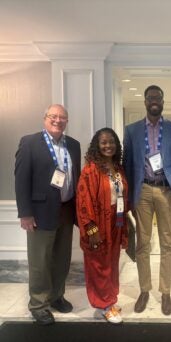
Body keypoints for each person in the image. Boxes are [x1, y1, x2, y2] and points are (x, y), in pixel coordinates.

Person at [14, 104, 81, 325]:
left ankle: (56, 296)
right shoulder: (29, 142)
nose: (58, 120)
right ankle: (38, 304)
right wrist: (25, 213)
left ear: (67, 121)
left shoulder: (73, 145)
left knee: (62, 258)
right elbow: (21, 179)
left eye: (62, 117)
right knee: (40, 260)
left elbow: (76, 178)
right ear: (45, 118)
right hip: (40, 213)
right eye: (53, 116)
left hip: (67, 210)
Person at [123, 85, 171, 315]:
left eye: (158, 97)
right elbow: (128, 163)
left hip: (165, 190)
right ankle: (144, 290)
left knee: (167, 242)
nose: (154, 101)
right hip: (143, 190)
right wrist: (129, 195)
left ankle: (165, 292)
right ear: (145, 101)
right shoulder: (131, 130)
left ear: (163, 100)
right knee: (142, 243)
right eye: (150, 98)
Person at [76, 128, 128, 324]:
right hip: (98, 225)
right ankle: (102, 305)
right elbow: (83, 202)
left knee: (112, 263)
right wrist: (91, 228)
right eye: (104, 142)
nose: (108, 146)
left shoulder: (117, 168)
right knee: (99, 265)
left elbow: (122, 196)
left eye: (112, 142)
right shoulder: (90, 170)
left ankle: (110, 301)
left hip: (116, 221)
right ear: (97, 146)